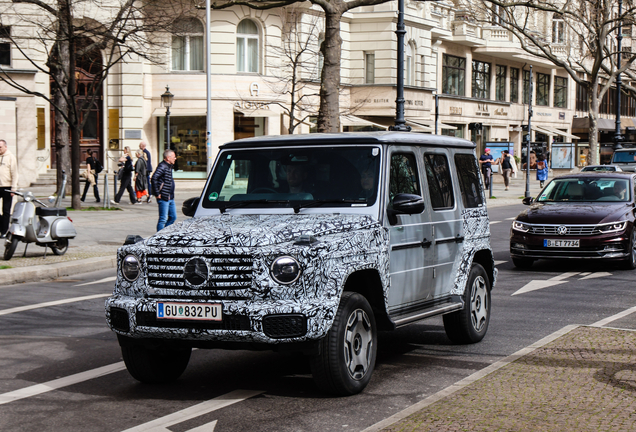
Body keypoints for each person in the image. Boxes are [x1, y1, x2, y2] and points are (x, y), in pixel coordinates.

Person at [152, 149, 177, 231]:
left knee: (173, 217)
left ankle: (164, 233)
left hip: (170, 197)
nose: (175, 158)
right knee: (163, 219)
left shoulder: (169, 166)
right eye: (173, 157)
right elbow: (154, 178)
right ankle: (159, 238)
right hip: (163, 197)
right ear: (168, 158)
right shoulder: (162, 166)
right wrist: (157, 193)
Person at [0, 139, 18, 237]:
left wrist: (13, 188)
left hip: (7, 187)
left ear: (5, 147)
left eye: (0, 147)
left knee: (6, 210)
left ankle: (4, 231)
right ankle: (1, 226)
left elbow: (14, 174)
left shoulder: (11, 157)